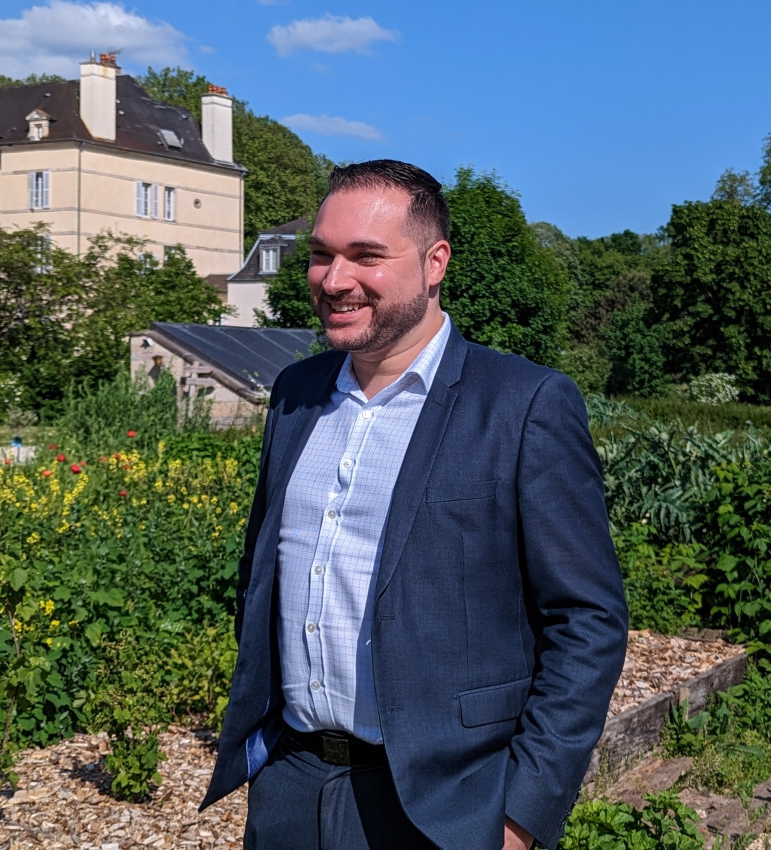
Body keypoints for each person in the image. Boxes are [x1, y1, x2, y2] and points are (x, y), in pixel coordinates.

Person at [201, 160, 628, 849]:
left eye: (365, 256)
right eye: (320, 255)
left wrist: (519, 816)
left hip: (445, 806)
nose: (334, 280)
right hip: (291, 787)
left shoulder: (521, 404)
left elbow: (586, 622)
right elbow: (261, 572)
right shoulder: (296, 393)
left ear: (435, 263)